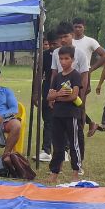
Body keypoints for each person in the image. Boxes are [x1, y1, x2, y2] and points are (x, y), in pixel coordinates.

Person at [52, 22, 90, 168]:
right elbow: (54, 73)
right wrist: (52, 94)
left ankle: (78, 165)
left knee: (76, 133)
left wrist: (82, 97)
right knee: (59, 135)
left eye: (66, 36)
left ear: (72, 36)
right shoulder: (56, 53)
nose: (63, 40)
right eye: (60, 37)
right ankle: (57, 166)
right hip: (59, 97)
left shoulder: (79, 53)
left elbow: (85, 75)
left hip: (75, 96)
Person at [45, 46, 83, 184]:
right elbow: (49, 96)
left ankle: (76, 173)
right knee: (58, 145)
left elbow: (74, 96)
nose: (63, 61)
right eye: (61, 59)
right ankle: (54, 172)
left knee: (74, 144)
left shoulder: (75, 75)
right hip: (57, 115)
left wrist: (58, 97)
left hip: (71, 114)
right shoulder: (57, 77)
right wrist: (56, 95)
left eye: (66, 58)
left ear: (72, 59)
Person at [71, 17, 105, 134]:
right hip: (68, 75)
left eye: (80, 27)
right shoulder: (69, 40)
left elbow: (104, 55)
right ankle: (90, 123)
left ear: (84, 27)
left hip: (83, 76)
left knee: (80, 103)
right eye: (75, 27)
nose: (77, 29)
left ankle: (80, 130)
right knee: (69, 102)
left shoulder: (90, 41)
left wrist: (91, 69)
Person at [38, 31, 59, 162]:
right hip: (47, 89)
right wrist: (36, 93)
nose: (52, 47)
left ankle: (65, 150)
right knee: (48, 120)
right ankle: (46, 150)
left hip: (63, 88)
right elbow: (39, 74)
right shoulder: (44, 55)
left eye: (54, 44)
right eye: (50, 44)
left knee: (63, 120)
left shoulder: (66, 55)